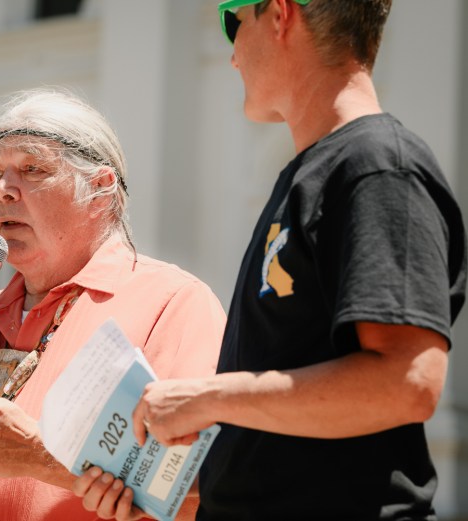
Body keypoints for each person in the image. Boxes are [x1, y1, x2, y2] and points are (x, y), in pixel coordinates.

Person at [74, 1, 467, 520]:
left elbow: (407, 383)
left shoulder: (378, 167)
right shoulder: (313, 173)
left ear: (279, 14)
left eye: (231, 20)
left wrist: (208, 396)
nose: (231, 53)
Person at [0, 88, 227, 521]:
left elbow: (199, 490)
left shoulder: (171, 302)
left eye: (32, 169)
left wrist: (39, 455)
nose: (2, 190)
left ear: (100, 190)